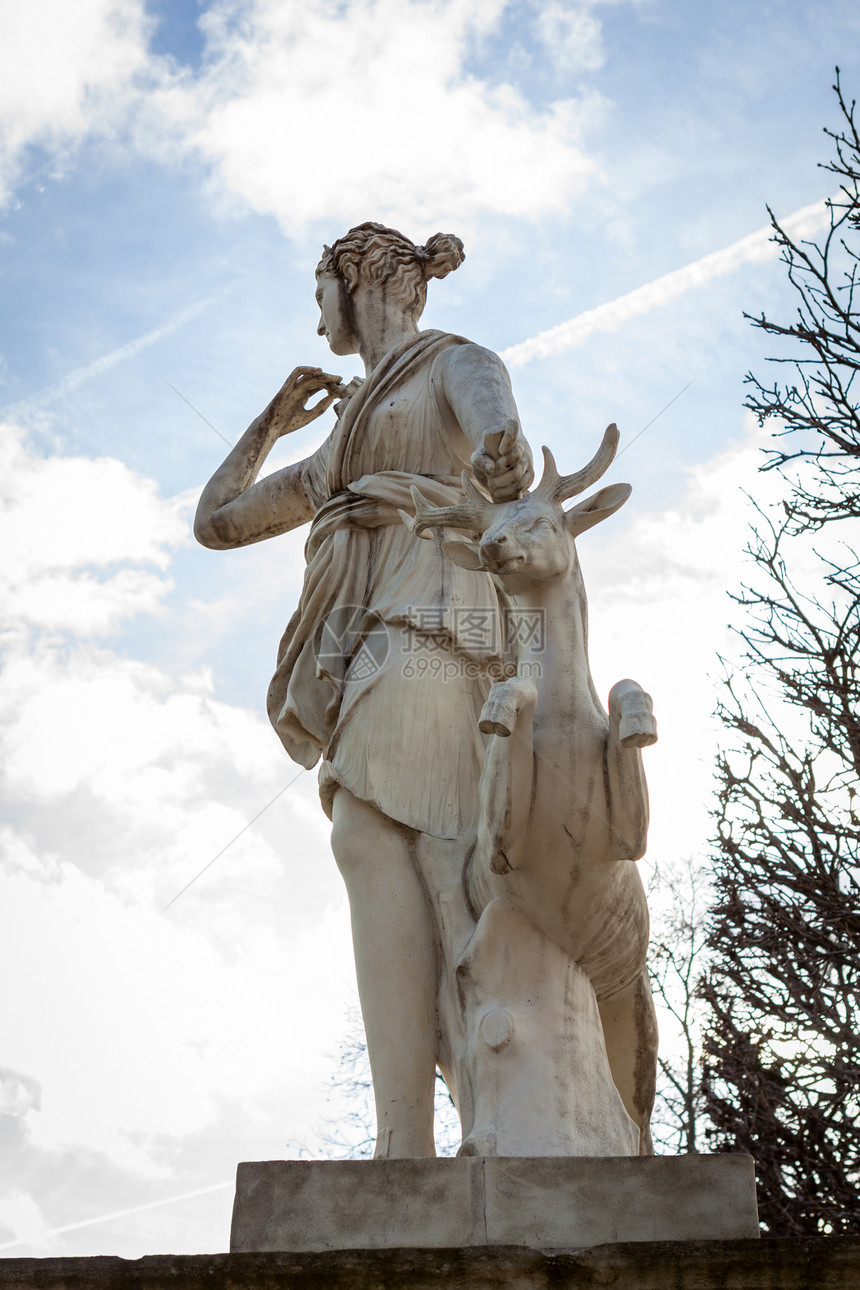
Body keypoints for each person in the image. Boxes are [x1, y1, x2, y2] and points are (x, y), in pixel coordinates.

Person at [195, 222, 533, 1157]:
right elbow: (217, 524)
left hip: (433, 617)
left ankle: (470, 1126)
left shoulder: (452, 365)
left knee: (422, 852)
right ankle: (411, 1142)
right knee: (379, 846)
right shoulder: (343, 436)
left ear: (356, 277)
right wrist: (271, 421)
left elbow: (505, 443)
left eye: (318, 297)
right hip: (363, 640)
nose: (317, 326)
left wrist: (505, 459)